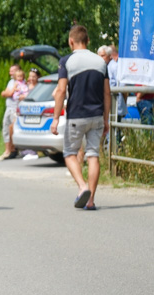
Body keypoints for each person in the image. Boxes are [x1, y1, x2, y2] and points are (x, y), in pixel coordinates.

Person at [51, 25, 110, 210]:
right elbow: (107, 93)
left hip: (76, 115)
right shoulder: (100, 62)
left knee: (69, 153)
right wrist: (106, 119)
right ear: (88, 41)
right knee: (93, 155)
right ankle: (91, 200)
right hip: (97, 116)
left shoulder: (66, 61)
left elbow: (61, 90)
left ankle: (82, 187)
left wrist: (55, 119)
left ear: (71, 41)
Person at [0, 64, 21, 160]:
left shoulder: (20, 83)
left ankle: (14, 150)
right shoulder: (11, 82)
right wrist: (6, 93)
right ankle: (7, 150)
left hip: (15, 108)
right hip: (9, 108)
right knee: (6, 128)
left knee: (13, 130)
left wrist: (7, 93)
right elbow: (4, 93)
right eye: (10, 71)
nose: (10, 73)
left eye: (12, 71)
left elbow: (9, 93)